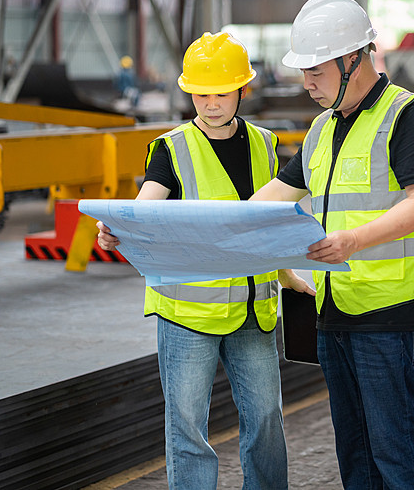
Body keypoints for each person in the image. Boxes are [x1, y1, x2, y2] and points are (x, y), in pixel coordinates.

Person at [96, 32, 312, 489]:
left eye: (220, 93)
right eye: (200, 94)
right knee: (189, 430)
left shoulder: (265, 145)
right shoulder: (171, 149)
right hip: (188, 316)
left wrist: (289, 277)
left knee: (267, 422)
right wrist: (117, 230)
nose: (210, 104)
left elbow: (270, 224)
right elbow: (143, 208)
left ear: (241, 91)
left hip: (255, 311)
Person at [250, 0, 414, 489]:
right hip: (334, 308)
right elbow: (272, 196)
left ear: (355, 59)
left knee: (393, 446)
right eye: (305, 71)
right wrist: (185, 228)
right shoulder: (322, 129)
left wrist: (353, 240)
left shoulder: (408, 115)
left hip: (390, 309)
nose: (307, 82)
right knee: (355, 450)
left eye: (316, 70)